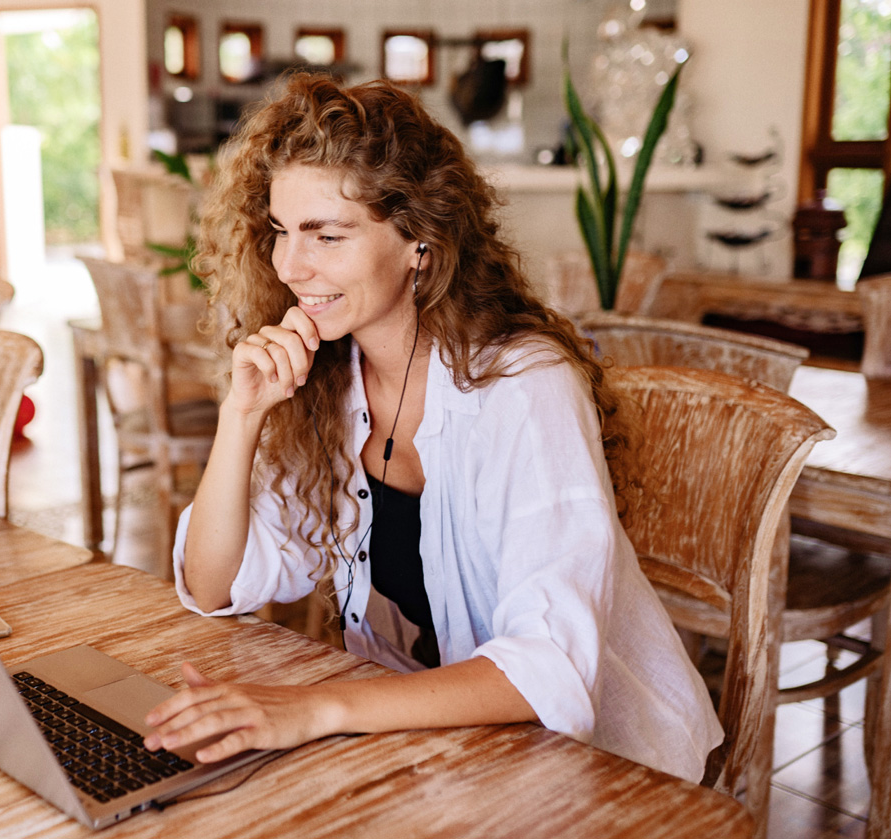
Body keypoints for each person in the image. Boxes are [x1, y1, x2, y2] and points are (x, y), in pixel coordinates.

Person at [140, 72, 723, 783]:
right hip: (454, 749)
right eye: (281, 232)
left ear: (420, 238)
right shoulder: (330, 375)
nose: (291, 265)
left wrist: (319, 707)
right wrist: (242, 416)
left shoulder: (523, 387)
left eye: (327, 234)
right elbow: (212, 584)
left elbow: (548, 669)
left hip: (608, 769)